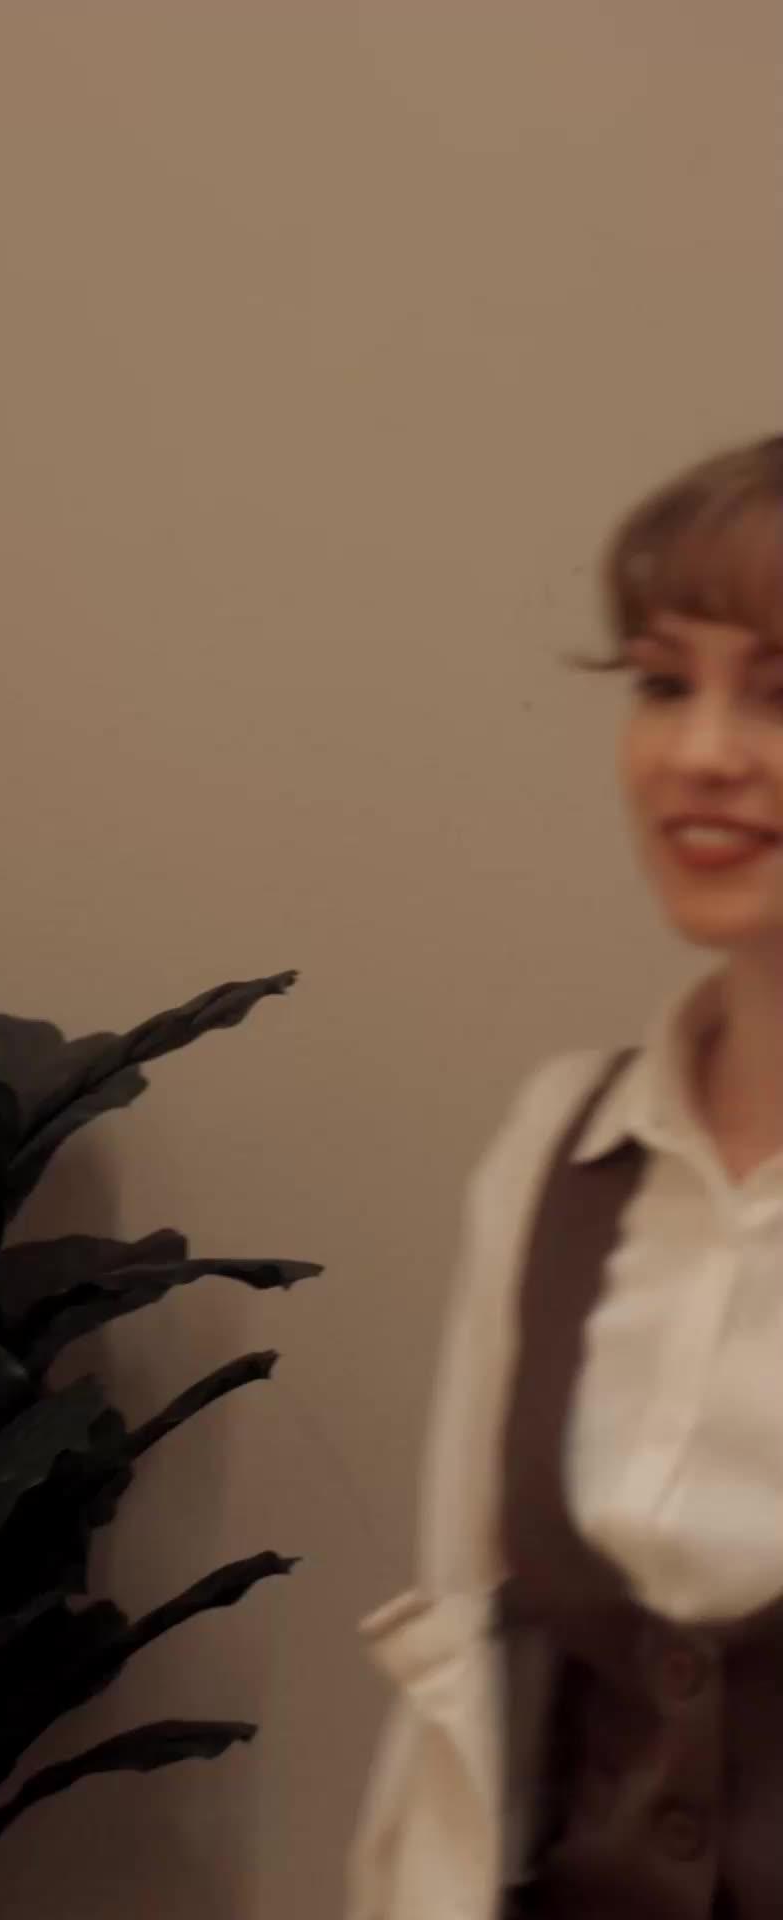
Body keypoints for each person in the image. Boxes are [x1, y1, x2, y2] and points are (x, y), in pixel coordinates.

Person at [347, 434, 783, 1920]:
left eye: (781, 692)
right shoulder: (556, 1151)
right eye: (663, 683)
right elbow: (462, 1725)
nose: (700, 752)